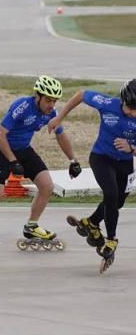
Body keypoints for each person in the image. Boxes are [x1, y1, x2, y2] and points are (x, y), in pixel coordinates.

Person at [0, 75, 80, 250]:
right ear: (37, 97)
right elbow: (1, 133)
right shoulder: (23, 106)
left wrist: (73, 160)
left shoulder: (51, 114)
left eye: (54, 101)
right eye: (48, 100)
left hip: (24, 149)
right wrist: (12, 160)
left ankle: (31, 226)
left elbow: (61, 135)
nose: (51, 105)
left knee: (47, 186)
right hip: (2, 149)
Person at [48, 79, 136, 273]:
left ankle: (92, 222)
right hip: (101, 158)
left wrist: (132, 148)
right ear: (122, 100)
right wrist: (59, 118)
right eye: (130, 107)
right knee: (111, 194)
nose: (132, 113)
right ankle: (112, 240)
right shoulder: (108, 104)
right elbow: (81, 94)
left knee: (117, 202)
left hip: (126, 162)